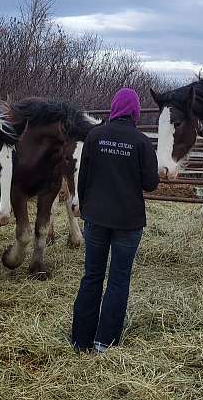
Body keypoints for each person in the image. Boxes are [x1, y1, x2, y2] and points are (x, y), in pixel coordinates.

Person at [71, 87, 159, 353]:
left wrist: (86, 209)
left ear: (113, 109)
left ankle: (80, 340)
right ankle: (104, 342)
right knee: (119, 280)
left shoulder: (95, 137)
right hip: (128, 222)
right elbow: (151, 184)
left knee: (92, 276)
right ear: (135, 112)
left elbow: (82, 179)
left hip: (96, 218)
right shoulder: (142, 142)